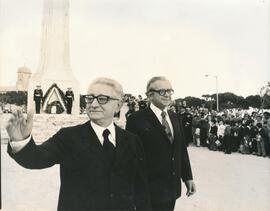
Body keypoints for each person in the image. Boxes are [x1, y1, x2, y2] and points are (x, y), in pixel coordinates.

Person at [6, 77, 151, 211]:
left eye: (102, 99)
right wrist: (21, 140)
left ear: (118, 105)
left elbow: (141, 189)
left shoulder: (132, 141)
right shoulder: (68, 137)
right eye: (89, 98)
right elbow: (36, 159)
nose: (93, 104)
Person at [126, 76, 196, 211]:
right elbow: (131, 157)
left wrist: (187, 177)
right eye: (163, 91)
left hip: (171, 190)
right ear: (150, 95)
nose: (168, 95)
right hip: (147, 192)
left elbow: (181, 150)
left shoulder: (175, 117)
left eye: (170, 91)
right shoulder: (136, 119)